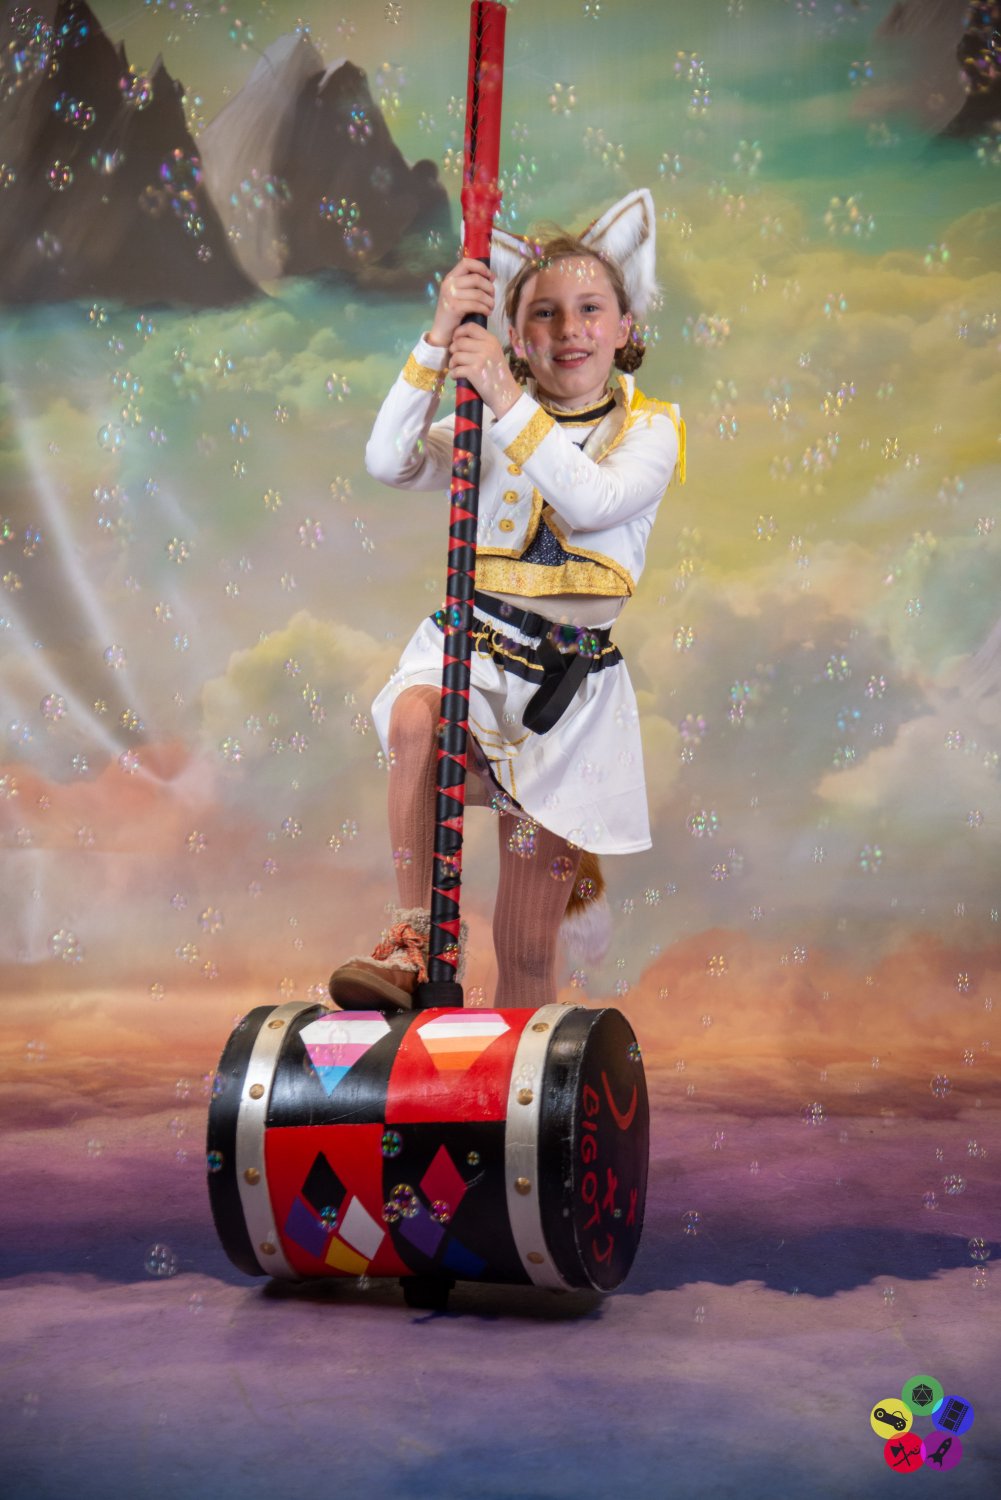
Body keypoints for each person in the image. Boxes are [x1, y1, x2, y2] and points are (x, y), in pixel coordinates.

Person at [329, 188, 685, 1012]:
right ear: (516, 337)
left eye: (589, 309)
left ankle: (509, 1076)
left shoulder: (650, 431)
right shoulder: (483, 427)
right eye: (543, 314)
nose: (569, 330)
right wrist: (436, 338)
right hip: (470, 655)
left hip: (565, 701)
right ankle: (413, 937)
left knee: (524, 949)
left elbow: (590, 501)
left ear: (625, 327)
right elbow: (387, 459)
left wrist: (501, 391)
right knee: (417, 716)